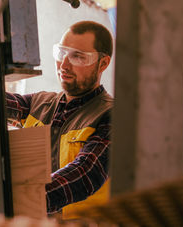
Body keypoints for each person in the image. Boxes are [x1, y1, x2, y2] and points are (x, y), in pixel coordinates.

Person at [6, 20, 113, 219]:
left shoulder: (110, 115)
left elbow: (84, 174)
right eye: (61, 53)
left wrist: (19, 200)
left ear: (103, 63)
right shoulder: (38, 104)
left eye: (78, 57)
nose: (64, 65)